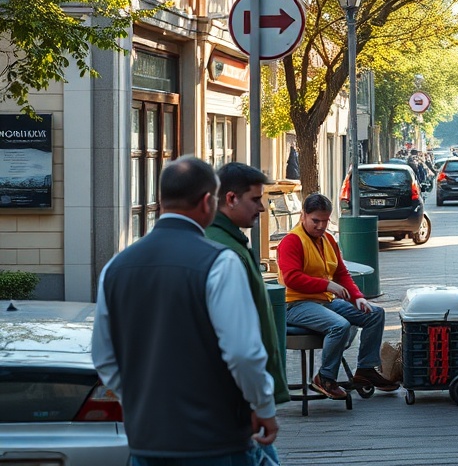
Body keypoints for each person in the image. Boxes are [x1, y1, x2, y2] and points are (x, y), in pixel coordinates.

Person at [92, 156, 278, 463]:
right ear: (208, 202)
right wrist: (263, 406)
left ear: (161, 200)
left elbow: (104, 358)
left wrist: (142, 403)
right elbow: (243, 353)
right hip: (217, 441)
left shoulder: (115, 268)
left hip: (147, 442)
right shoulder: (219, 262)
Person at [276, 192, 399, 399]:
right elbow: (291, 278)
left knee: (375, 314)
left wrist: (357, 297)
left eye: (325, 221)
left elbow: (341, 272)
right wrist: (327, 284)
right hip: (296, 304)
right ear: (303, 215)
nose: (321, 226)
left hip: (325, 301)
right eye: (316, 221)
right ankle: (324, 377)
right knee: (339, 325)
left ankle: (366, 369)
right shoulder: (292, 241)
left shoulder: (328, 240)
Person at [207, 162, 291, 410]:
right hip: (235, 398)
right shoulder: (226, 252)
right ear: (231, 198)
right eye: (255, 200)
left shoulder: (228, 242)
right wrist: (262, 402)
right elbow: (239, 339)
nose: (262, 208)